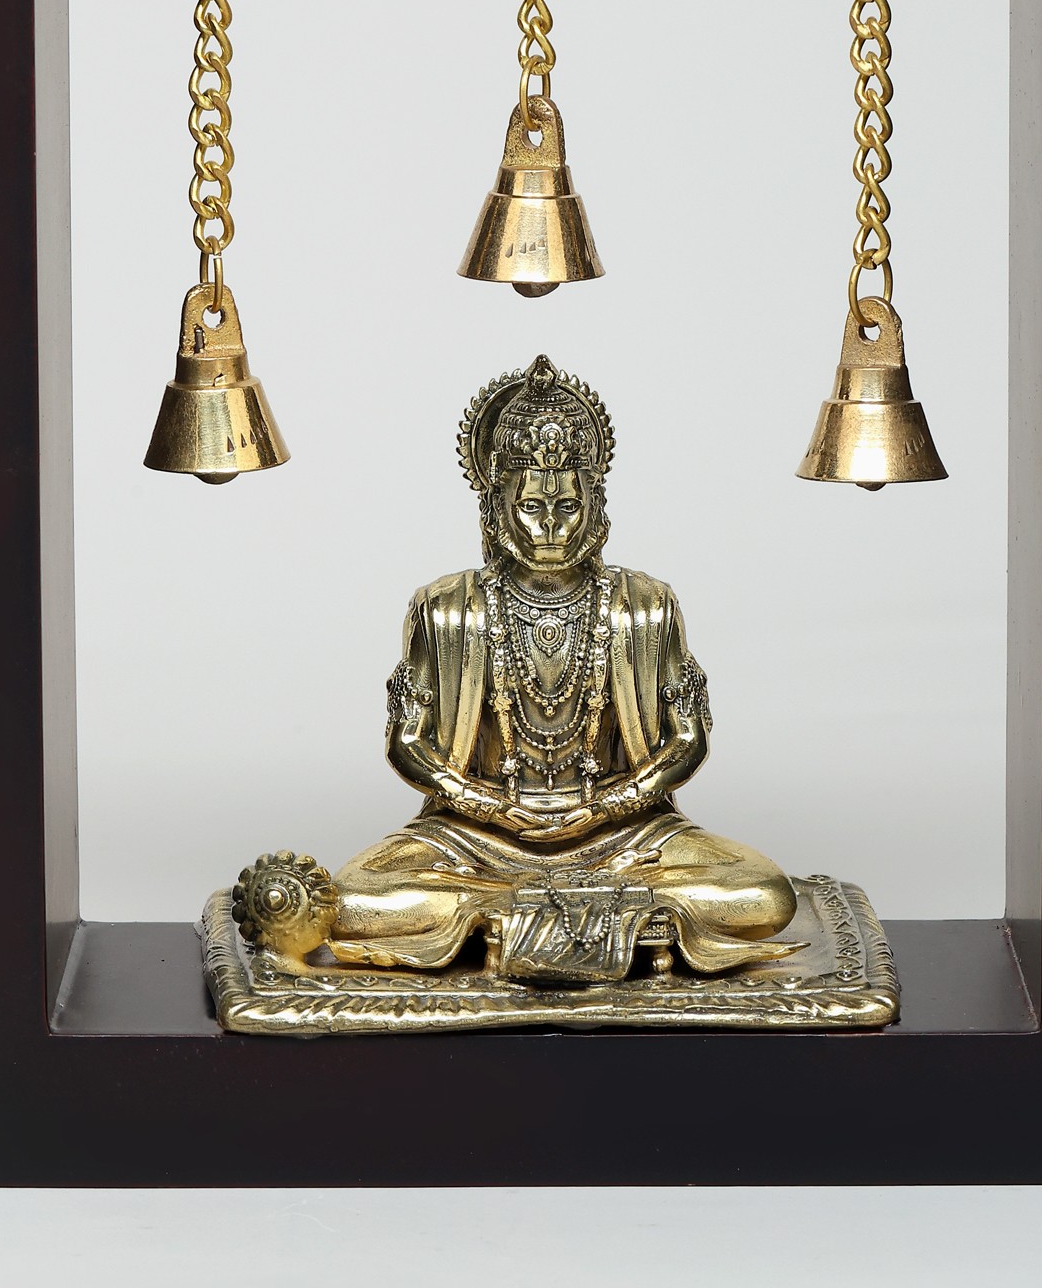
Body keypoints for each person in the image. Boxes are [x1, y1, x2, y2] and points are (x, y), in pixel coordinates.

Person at [323, 355, 797, 982]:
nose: (551, 525)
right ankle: (590, 915)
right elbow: (407, 742)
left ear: (595, 504)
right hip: (475, 837)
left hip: (625, 836)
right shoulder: (446, 609)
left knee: (763, 893)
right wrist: (484, 806)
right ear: (496, 507)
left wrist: (610, 806)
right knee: (351, 901)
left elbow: (688, 738)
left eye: (568, 504)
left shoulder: (644, 606)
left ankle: (508, 919)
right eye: (530, 505)